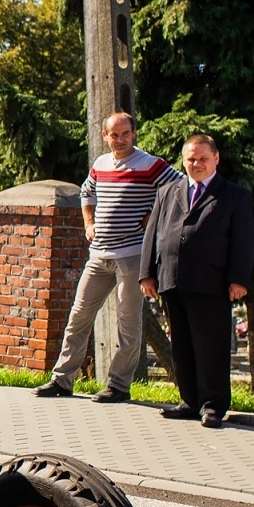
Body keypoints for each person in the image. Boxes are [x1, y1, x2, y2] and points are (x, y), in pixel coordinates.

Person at [35, 112, 181, 402]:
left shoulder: (151, 165)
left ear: (134, 133)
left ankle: (118, 386)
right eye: (114, 135)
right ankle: (62, 380)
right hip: (99, 253)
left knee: (128, 322)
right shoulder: (100, 164)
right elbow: (86, 193)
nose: (121, 139)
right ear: (105, 136)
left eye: (125, 133)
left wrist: (155, 215)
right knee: (79, 316)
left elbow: (181, 189)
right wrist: (88, 223)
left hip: (133, 253)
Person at [140, 134, 254, 428]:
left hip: (211, 282)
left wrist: (238, 279)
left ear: (216, 158)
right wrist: (147, 273)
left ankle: (212, 405)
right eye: (191, 159)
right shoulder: (168, 191)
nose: (197, 164)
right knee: (181, 345)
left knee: (210, 345)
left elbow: (243, 241)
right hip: (172, 279)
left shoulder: (233, 195)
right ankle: (190, 401)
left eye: (203, 158)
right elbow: (153, 234)